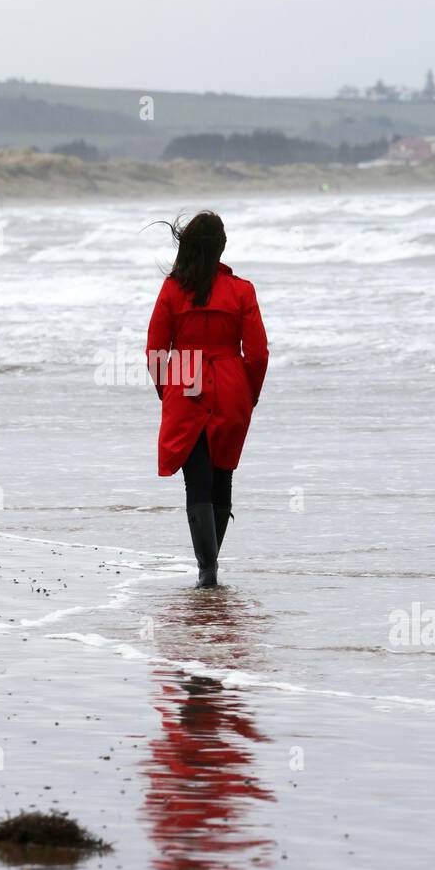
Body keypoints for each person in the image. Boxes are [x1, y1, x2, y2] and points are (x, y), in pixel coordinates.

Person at [145, 211, 269, 588]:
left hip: (185, 379)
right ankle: (210, 570)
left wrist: (168, 392)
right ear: (220, 248)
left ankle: (207, 571)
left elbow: (154, 351)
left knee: (196, 482)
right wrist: (249, 394)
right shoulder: (242, 290)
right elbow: (259, 353)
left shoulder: (171, 290)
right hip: (232, 382)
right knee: (223, 476)